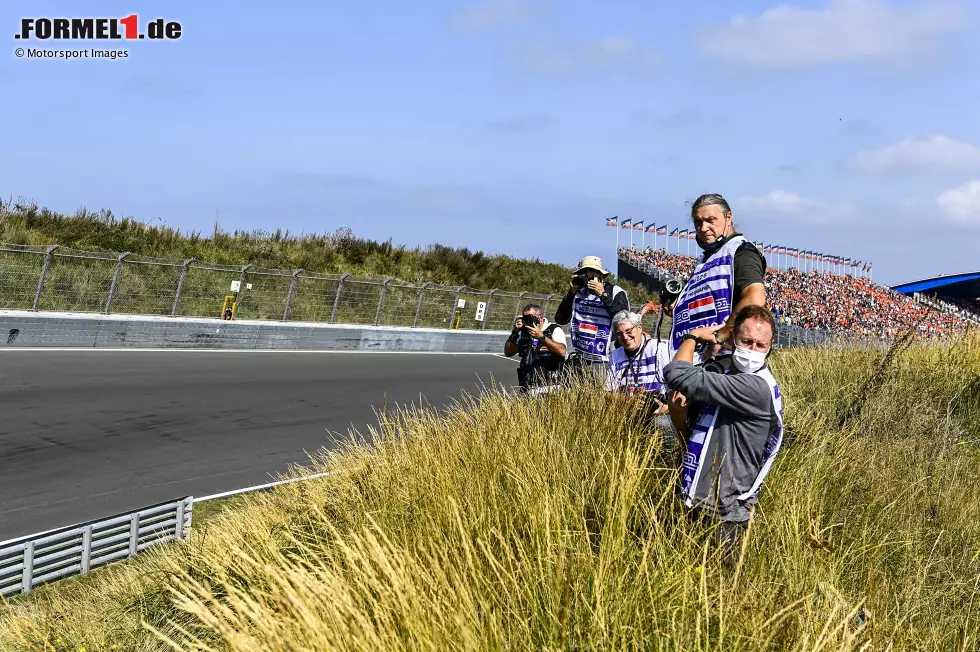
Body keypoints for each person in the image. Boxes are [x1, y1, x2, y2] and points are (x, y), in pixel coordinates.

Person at [663, 305, 784, 566]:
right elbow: (696, 436)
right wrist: (679, 415)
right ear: (733, 340)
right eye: (746, 341)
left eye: (760, 345)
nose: (752, 350)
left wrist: (693, 336)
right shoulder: (731, 379)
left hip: (725, 513)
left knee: (719, 594)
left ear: (771, 347)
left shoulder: (754, 387)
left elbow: (676, 373)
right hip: (699, 501)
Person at [668, 194, 767, 364]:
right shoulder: (705, 260)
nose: (703, 227)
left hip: (722, 361)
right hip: (693, 362)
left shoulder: (741, 251)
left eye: (710, 220)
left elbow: (755, 297)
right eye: (698, 222)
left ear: (728, 217)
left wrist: (723, 333)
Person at [554, 255, 629, 377]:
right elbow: (560, 319)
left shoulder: (615, 291)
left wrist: (603, 295)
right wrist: (570, 294)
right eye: (585, 273)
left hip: (606, 359)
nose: (588, 276)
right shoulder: (578, 292)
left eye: (593, 272)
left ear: (600, 274)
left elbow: (624, 319)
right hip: (579, 359)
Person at [504, 303, 567, 395]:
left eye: (530, 317)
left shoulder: (553, 330)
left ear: (540, 317)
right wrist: (515, 332)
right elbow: (508, 353)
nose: (528, 321)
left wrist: (541, 337)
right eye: (525, 318)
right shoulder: (524, 333)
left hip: (550, 388)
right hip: (527, 388)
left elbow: (562, 352)